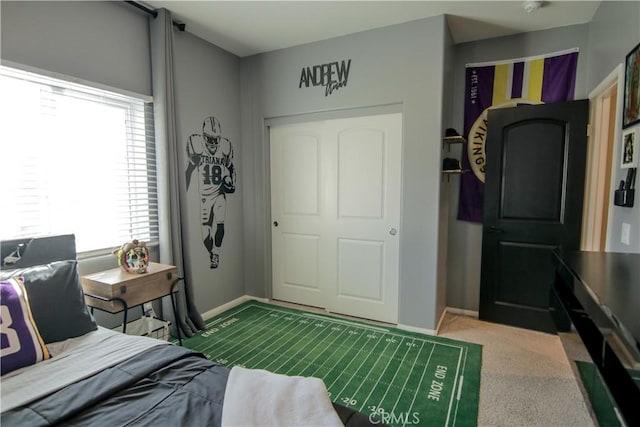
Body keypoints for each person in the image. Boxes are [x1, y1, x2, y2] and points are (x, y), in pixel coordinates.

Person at [185, 116, 236, 269]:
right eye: (210, 139)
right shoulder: (196, 145)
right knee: (205, 233)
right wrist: (184, 193)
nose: (213, 143)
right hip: (204, 197)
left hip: (220, 192)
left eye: (216, 139)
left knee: (220, 223)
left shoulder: (225, 147)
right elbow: (188, 172)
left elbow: (232, 168)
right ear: (203, 136)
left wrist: (232, 181)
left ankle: (217, 253)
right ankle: (212, 251)